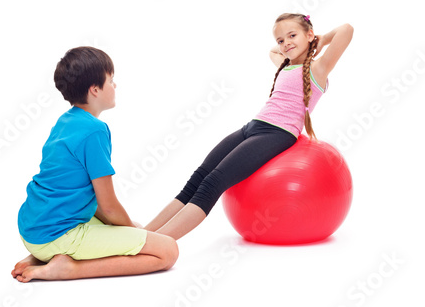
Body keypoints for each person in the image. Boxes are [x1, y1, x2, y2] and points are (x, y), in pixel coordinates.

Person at [144, 13, 354, 240]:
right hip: (252, 127)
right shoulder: (284, 63)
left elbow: (347, 30)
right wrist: (298, 41)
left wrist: (318, 42)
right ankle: (145, 233)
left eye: (292, 35)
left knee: (214, 183)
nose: (285, 44)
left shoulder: (319, 68)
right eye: (281, 40)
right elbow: (272, 52)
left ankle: (157, 242)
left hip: (278, 133)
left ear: (309, 34)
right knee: (198, 177)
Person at [11, 47, 178, 283]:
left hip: (33, 228)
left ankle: (39, 257)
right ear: (95, 89)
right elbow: (108, 206)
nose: (115, 86)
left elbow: (88, 198)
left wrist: (131, 228)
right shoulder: (95, 131)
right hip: (55, 234)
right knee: (168, 251)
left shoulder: (66, 120)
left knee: (136, 228)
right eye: (111, 80)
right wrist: (131, 229)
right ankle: (68, 269)